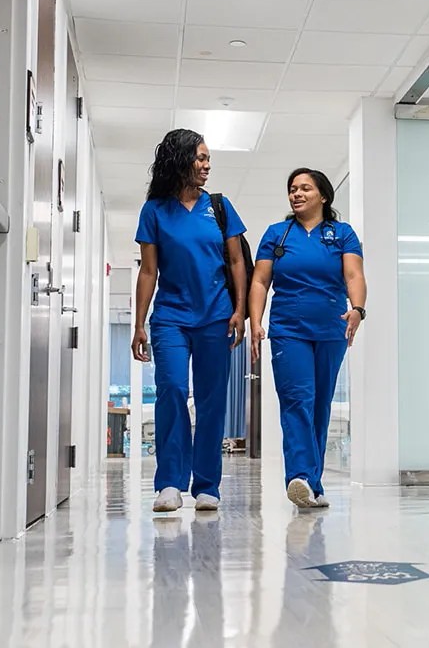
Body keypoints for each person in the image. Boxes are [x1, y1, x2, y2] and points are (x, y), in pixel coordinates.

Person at [131, 128, 248, 513]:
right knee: (172, 390)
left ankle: (207, 485)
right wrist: (139, 324)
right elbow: (148, 271)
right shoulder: (154, 211)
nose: (206, 165)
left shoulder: (219, 207)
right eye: (200, 157)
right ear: (180, 159)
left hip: (216, 316)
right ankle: (169, 483)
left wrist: (239, 310)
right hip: (171, 318)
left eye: (208, 158)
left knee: (212, 400)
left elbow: (236, 262)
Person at [248, 168, 367, 509]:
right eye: (292, 189)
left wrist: (358, 309)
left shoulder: (342, 234)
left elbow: (354, 275)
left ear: (323, 196)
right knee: (297, 399)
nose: (296, 194)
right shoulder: (278, 234)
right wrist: (256, 322)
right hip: (289, 330)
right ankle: (299, 476)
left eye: (305, 188)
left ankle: (312, 484)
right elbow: (260, 281)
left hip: (331, 330)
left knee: (320, 404)